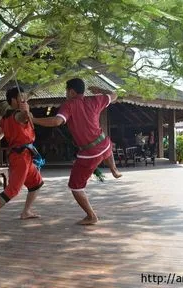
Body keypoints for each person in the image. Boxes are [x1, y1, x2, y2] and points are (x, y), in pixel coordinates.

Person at [31, 78, 121, 225]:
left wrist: (33, 120)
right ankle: (114, 169)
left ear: (71, 91)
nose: (66, 94)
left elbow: (56, 122)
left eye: (66, 91)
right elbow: (114, 94)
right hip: (104, 144)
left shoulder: (69, 105)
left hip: (90, 153)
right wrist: (101, 91)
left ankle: (91, 216)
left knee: (75, 186)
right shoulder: (95, 100)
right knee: (106, 144)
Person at [0, 87, 44, 231]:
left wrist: (7, 131)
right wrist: (25, 111)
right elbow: (22, 116)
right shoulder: (19, 115)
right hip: (20, 158)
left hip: (26, 155)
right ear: (14, 101)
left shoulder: (4, 120)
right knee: (13, 190)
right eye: (20, 98)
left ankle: (26, 212)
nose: (23, 100)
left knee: (36, 183)